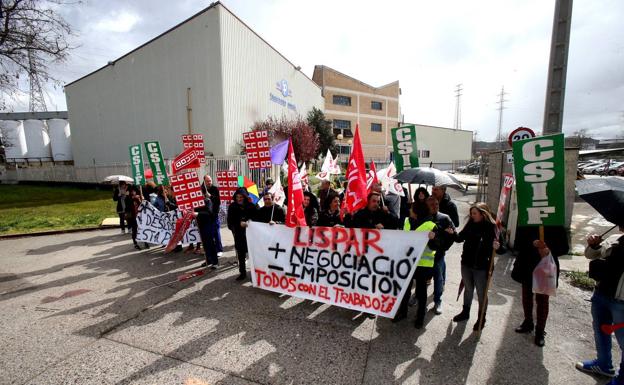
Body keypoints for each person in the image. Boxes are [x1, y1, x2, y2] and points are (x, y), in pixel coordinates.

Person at [576, 225, 624, 382]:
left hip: (621, 301)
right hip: (601, 293)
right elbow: (591, 255)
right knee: (600, 330)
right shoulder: (614, 239)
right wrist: (594, 245)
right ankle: (604, 364)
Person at [513, 225, 569, 346]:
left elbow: (564, 248)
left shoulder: (556, 224)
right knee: (526, 296)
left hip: (546, 267)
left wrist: (548, 249)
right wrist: (532, 243)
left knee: (543, 300)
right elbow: (517, 244)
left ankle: (540, 330)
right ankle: (528, 322)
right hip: (527, 266)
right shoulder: (526, 222)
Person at [449, 202, 500, 332]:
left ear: (483, 214)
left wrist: (498, 247)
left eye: (474, 214)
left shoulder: (492, 227)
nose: (472, 216)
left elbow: (502, 248)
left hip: (482, 267)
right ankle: (465, 312)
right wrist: (452, 232)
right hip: (466, 263)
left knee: (482, 293)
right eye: (471, 214)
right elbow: (460, 238)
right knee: (468, 289)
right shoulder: (471, 223)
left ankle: (481, 318)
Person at [394, 202, 439, 328]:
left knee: (421, 291)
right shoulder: (407, 221)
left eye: (412, 208)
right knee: (405, 290)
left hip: (422, 264)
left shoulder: (431, 225)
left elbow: (436, 246)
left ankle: (420, 317)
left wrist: (433, 238)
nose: (409, 210)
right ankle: (402, 312)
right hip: (407, 262)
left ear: (417, 210)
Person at [426, 196, 456, 315]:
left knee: (438, 279)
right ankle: (418, 297)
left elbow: (453, 235)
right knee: (422, 279)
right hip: (424, 256)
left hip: (438, 255)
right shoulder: (424, 218)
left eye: (437, 204)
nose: (435, 206)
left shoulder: (445, 218)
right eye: (432, 204)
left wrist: (444, 248)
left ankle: (438, 301)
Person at [227, 188, 256, 281]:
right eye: (237, 197)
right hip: (239, 234)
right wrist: (238, 224)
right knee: (241, 254)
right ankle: (242, 273)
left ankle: (255, 273)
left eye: (241, 197)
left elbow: (258, 217)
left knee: (253, 254)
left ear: (245, 197)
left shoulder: (251, 206)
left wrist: (251, 221)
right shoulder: (232, 207)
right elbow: (230, 221)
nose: (239, 199)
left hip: (251, 235)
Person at [194, 192, 218, 269]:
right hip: (200, 224)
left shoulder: (207, 201)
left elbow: (209, 213)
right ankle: (208, 259)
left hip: (208, 224)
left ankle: (215, 262)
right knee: (204, 244)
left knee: (210, 243)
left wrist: (198, 214)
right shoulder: (195, 202)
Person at [201, 175, 222, 256]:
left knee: (216, 232)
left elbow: (218, 201)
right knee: (207, 233)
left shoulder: (215, 189)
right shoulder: (201, 189)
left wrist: (211, 196)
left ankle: (219, 249)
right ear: (204, 181)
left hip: (214, 213)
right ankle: (208, 250)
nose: (209, 182)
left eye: (210, 180)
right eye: (207, 181)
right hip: (205, 214)